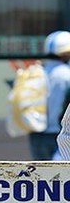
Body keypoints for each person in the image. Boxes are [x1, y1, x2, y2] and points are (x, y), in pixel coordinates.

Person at [30, 31, 70, 160]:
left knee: (41, 175)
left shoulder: (39, 71)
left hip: (37, 134)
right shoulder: (66, 74)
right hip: (58, 134)